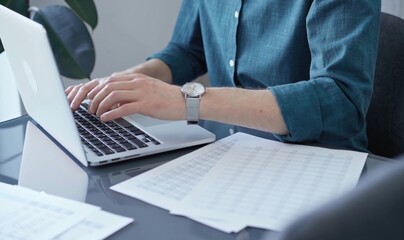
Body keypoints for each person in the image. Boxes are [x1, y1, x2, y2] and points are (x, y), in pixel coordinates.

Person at [66, 0, 381, 152]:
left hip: (314, 162)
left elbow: (341, 100)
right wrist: (128, 81)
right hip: (227, 149)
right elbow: (188, 49)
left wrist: (187, 101)